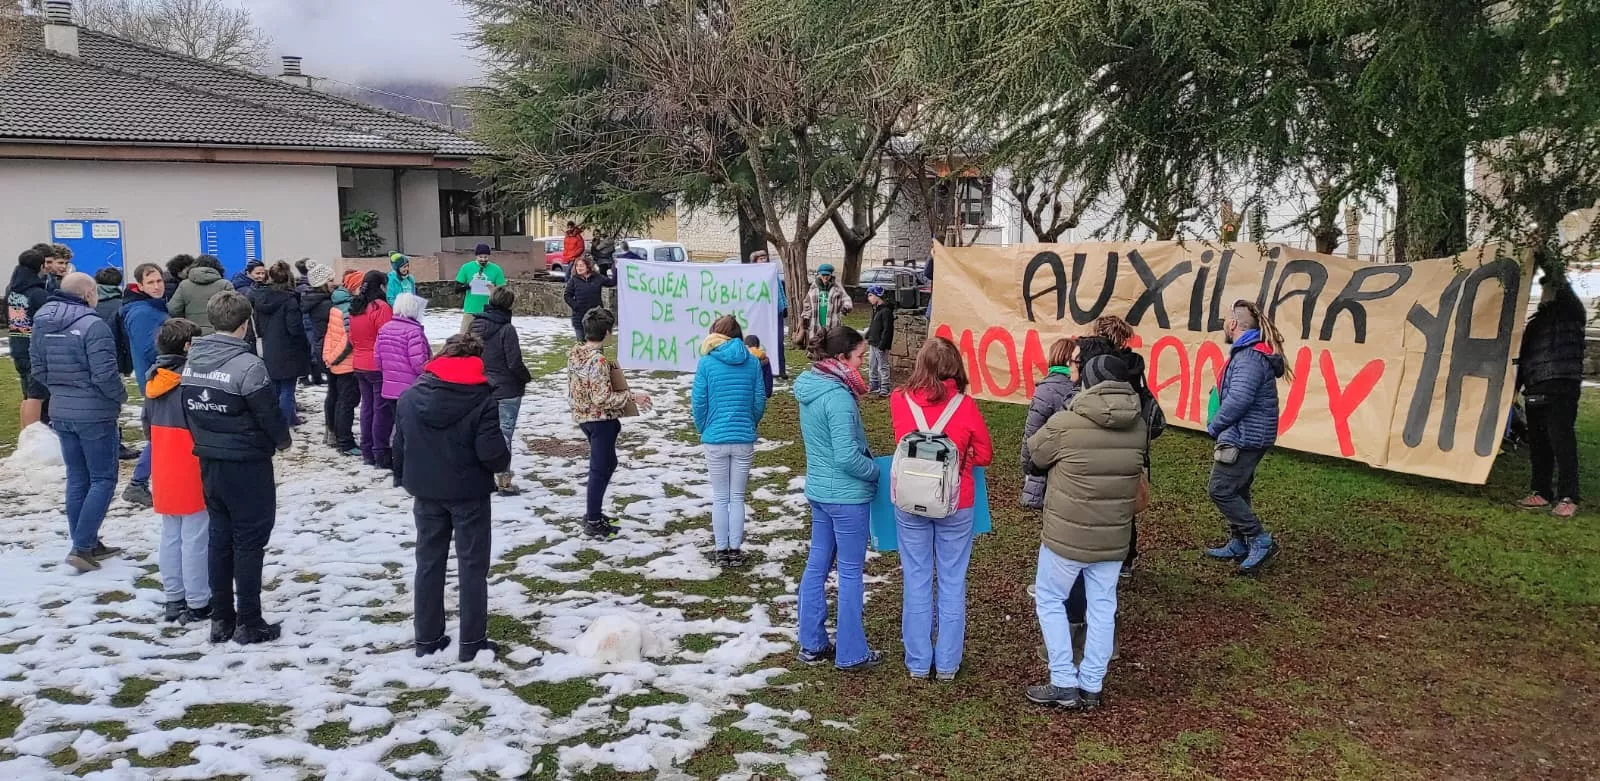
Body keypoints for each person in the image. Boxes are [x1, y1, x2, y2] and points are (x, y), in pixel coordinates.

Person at [1025, 353, 1148, 711]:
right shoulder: (1138, 426)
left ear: (1088, 382)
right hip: (1113, 536)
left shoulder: (1066, 423)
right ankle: (1092, 684)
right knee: (1103, 607)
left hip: (1067, 535)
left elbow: (1035, 456)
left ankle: (1063, 680)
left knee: (1050, 599)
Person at [181, 291, 292, 645]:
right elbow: (267, 413)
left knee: (219, 538)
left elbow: (189, 408)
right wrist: (282, 440)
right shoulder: (248, 366)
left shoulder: (192, 361)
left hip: (210, 459)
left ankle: (221, 618)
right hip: (246, 462)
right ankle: (249, 620)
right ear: (245, 325)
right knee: (249, 541)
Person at [393, 333, 512, 662]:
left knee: (428, 563)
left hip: (427, 491)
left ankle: (427, 638)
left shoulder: (409, 397)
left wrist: (404, 478)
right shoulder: (482, 400)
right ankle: (472, 643)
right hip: (468, 493)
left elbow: (399, 446)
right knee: (472, 566)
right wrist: (502, 456)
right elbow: (493, 455)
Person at [889, 336, 993, 680]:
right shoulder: (965, 406)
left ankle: (918, 662)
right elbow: (986, 454)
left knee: (916, 578)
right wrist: (961, 461)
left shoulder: (899, 400)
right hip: (956, 502)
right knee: (952, 580)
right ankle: (947, 663)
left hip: (910, 499)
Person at [794, 325, 881, 671]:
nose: (863, 363)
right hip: (846, 497)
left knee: (816, 565)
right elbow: (846, 456)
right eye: (860, 356)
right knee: (849, 573)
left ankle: (812, 642)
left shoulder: (812, 386)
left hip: (820, 491)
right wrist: (876, 471)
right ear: (842, 357)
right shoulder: (839, 397)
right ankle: (851, 652)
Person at [32, 272, 128, 573]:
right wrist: (120, 396)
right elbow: (105, 375)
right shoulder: (93, 325)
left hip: (61, 409)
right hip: (95, 412)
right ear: (88, 294)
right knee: (102, 479)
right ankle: (82, 546)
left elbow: (38, 368)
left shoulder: (42, 320)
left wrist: (61, 389)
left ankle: (86, 541)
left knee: (77, 478)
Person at [1204, 300, 1287, 575]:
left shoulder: (1249, 357)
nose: (1223, 325)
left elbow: (1239, 398)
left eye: (1225, 320)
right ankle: (1239, 542)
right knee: (1238, 488)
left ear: (1234, 324)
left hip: (1244, 436)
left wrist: (1215, 425)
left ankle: (1260, 540)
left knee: (1220, 489)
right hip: (1249, 433)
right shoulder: (1250, 353)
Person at [143, 318, 210, 624]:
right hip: (190, 460)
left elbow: (146, 425)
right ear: (187, 346)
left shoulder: (154, 378)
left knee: (171, 534)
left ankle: (174, 597)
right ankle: (198, 600)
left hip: (164, 459)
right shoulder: (190, 381)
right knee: (196, 535)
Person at [691, 315, 769, 568]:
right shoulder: (753, 362)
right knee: (737, 497)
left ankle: (720, 549)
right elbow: (759, 401)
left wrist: (704, 428)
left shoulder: (706, 362)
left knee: (720, 497)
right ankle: (735, 549)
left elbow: (699, 402)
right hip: (743, 436)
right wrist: (750, 423)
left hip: (715, 437)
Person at [567, 308, 651, 540]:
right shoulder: (598, 360)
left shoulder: (576, 353)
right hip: (599, 420)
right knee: (599, 468)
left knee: (608, 463)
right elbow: (601, 398)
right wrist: (633, 397)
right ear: (606, 332)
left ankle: (594, 512)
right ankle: (593, 520)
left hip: (584, 417)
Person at [1093, 316, 1165, 576]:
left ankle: (1101, 555)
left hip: (1105, 441)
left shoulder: (1099, 366)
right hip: (1132, 443)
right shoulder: (1135, 364)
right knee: (1126, 505)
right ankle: (1126, 557)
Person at [1516, 271, 1586, 518]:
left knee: (1561, 442)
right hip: (1535, 388)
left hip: (1561, 387)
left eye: (1550, 287)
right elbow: (1523, 358)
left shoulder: (1572, 313)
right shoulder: (1535, 324)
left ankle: (1569, 496)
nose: (1545, 292)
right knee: (1539, 445)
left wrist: (1546, 256)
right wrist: (1515, 389)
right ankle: (1541, 491)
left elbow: (1558, 276)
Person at [118, 263, 172, 508]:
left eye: (159, 281)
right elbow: (150, 350)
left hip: (162, 377)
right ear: (140, 285)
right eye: (151, 282)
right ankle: (137, 483)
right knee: (161, 434)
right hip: (157, 380)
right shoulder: (142, 312)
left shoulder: (152, 307)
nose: (157, 286)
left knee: (164, 433)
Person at [470, 286, 532, 496]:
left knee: (481, 433)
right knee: (504, 435)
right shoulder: (507, 329)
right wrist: (525, 377)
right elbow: (514, 362)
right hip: (506, 388)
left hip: (481, 386)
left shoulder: (474, 325)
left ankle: (480, 475)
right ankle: (504, 480)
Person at [247, 262, 311, 428]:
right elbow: (294, 328)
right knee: (288, 389)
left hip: (270, 347)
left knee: (275, 388)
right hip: (289, 349)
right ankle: (285, 422)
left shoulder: (260, 297)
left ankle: (278, 420)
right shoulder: (290, 300)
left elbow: (258, 326)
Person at [1022, 338, 1078, 510]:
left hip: (1048, 465)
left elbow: (1031, 432)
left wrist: (1028, 466)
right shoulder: (1083, 387)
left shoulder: (1045, 390)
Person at [377, 293, 432, 465]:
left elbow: (378, 359)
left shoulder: (384, 328)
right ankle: (410, 463)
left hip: (389, 389)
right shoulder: (414, 332)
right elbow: (419, 364)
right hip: (410, 390)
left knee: (398, 426)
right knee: (411, 429)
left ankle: (396, 462)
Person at [350, 270, 395, 468]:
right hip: (376, 364)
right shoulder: (380, 307)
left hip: (359, 362)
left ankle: (367, 450)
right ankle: (380, 452)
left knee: (367, 408)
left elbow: (352, 337)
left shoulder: (356, 306)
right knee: (381, 410)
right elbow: (387, 336)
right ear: (381, 286)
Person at [8, 248, 53, 430]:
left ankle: (25, 432)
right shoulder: (37, 293)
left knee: (27, 395)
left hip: (17, 343)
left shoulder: (12, 290)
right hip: (34, 348)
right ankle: (34, 433)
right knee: (38, 396)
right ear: (40, 267)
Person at [322, 271, 363, 456]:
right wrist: (334, 358)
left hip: (335, 361)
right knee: (346, 404)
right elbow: (348, 340)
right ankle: (345, 442)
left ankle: (336, 435)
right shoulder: (349, 308)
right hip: (346, 363)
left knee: (338, 400)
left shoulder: (336, 305)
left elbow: (330, 336)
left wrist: (328, 357)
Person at [167, 255, 231, 334]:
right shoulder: (225, 284)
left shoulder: (184, 285)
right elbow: (235, 310)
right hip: (220, 333)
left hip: (192, 332)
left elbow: (173, 310)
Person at [455, 244, 507, 334]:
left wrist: (494, 289)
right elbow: (457, 288)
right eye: (480, 257)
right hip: (470, 310)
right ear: (476, 256)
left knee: (485, 338)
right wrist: (470, 285)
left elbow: (503, 291)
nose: (483, 259)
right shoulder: (466, 268)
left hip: (489, 311)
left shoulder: (496, 269)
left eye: (485, 257)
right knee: (464, 336)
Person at [752, 250, 788, 378]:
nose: (763, 260)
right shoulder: (753, 275)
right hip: (762, 314)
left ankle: (781, 369)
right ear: (755, 261)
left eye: (764, 257)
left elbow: (780, 290)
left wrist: (784, 306)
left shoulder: (773, 273)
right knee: (763, 341)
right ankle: (764, 368)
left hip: (776, 311)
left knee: (779, 341)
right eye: (760, 258)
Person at [92, 267, 133, 379]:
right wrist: (128, 367)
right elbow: (127, 339)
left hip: (88, 361)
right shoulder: (123, 306)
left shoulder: (86, 305)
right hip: (115, 361)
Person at [564, 256, 614, 340]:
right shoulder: (573, 280)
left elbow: (612, 283)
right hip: (579, 318)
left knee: (596, 344)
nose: (579, 268)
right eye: (577, 266)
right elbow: (567, 296)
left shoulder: (597, 277)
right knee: (581, 344)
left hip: (596, 318)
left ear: (588, 267)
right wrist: (576, 306)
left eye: (581, 266)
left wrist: (615, 268)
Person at [801, 264, 851, 345]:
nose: (825, 277)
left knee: (832, 343)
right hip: (816, 321)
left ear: (831, 275)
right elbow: (807, 303)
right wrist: (806, 316)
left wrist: (846, 307)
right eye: (823, 275)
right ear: (819, 274)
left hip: (833, 321)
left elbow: (846, 299)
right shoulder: (814, 287)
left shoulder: (837, 287)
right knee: (817, 344)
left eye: (827, 275)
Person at [864, 285, 895, 397]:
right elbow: (873, 325)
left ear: (877, 296)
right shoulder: (875, 310)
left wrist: (883, 344)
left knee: (883, 365)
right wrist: (868, 335)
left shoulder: (886, 311)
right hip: (873, 342)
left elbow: (888, 330)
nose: (869, 298)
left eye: (871, 295)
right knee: (872, 364)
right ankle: (874, 384)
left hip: (881, 344)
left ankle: (885, 387)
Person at [745, 334, 774, 398]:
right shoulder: (764, 359)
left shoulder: (742, 358)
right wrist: (768, 392)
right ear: (757, 345)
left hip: (745, 391)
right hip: (760, 392)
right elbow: (768, 377)